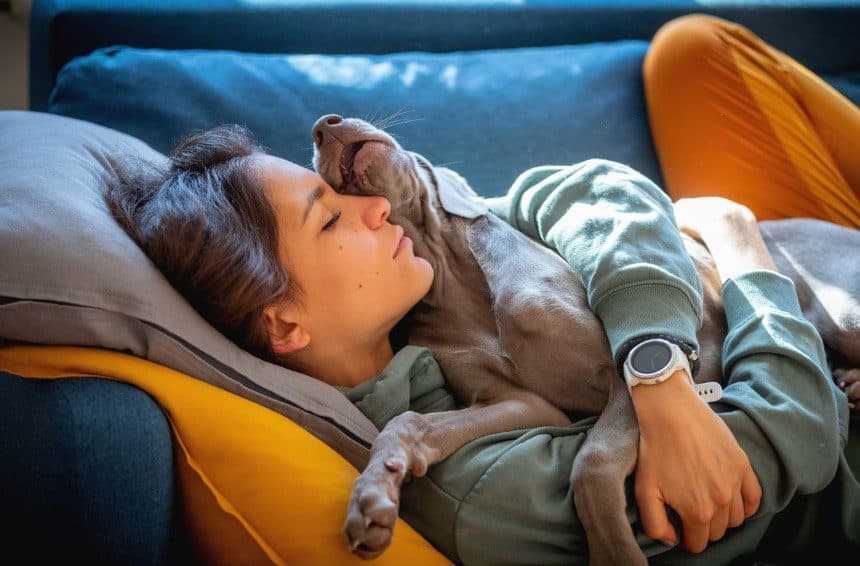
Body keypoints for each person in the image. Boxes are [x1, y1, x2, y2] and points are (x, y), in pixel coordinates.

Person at [103, 12, 857, 565]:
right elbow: (801, 433)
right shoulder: (478, 497)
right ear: (284, 321)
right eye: (330, 219)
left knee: (693, 48)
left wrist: (653, 363)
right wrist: (739, 244)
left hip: (798, 270)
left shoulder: (422, 303)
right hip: (799, 350)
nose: (372, 208)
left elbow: (589, 189)